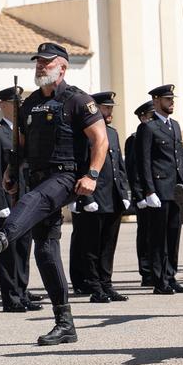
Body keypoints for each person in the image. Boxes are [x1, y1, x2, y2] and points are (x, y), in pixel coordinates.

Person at [0, 42, 108, 345]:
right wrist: (11, 171)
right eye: (37, 63)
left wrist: (92, 175)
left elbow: (100, 140)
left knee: (35, 200)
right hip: (38, 176)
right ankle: (65, 323)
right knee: (45, 251)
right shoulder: (28, 105)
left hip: (68, 176)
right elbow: (20, 144)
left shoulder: (78, 100)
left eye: (46, 62)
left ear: (62, 67)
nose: (40, 67)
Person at [0, 87, 43, 312]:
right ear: (2, 104)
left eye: (21, 101)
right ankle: (11, 297)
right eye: (13, 102)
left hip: (26, 200)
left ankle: (22, 291)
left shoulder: (24, 131)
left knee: (24, 248)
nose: (19, 106)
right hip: (8, 203)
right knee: (9, 251)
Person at [71, 91, 131, 303]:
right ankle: (94, 286)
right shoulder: (84, 133)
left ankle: (107, 284)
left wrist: (124, 192)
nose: (110, 112)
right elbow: (79, 165)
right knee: (90, 246)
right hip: (93, 197)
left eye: (111, 108)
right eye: (106, 108)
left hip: (112, 197)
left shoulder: (112, 133)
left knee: (108, 244)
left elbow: (119, 167)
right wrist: (85, 199)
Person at [136, 84, 183, 295]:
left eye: (172, 99)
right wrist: (149, 191)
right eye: (167, 100)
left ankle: (171, 275)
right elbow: (144, 161)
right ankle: (159, 280)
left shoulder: (174, 125)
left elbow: (177, 159)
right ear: (156, 101)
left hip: (175, 189)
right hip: (159, 189)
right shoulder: (148, 128)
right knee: (158, 237)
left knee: (173, 234)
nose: (171, 103)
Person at [125, 100, 155, 287]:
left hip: (158, 194)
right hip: (144, 194)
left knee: (158, 235)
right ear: (142, 117)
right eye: (150, 115)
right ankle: (146, 272)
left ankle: (158, 269)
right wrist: (138, 195)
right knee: (145, 234)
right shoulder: (134, 139)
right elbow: (133, 169)